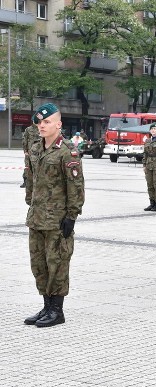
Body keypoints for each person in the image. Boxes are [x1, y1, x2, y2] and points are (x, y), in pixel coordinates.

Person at [24, 103, 85, 327]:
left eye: (47, 122)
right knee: (38, 264)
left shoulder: (67, 151)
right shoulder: (35, 148)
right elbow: (30, 178)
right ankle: (46, 306)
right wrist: (30, 202)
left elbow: (76, 186)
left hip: (58, 220)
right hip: (37, 217)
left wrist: (71, 216)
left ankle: (57, 310)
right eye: (40, 122)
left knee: (57, 263)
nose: (42, 125)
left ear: (58, 124)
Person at [21, 118, 40, 188]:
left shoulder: (41, 129)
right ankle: (26, 181)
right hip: (29, 152)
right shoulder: (28, 129)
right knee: (27, 167)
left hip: (39, 152)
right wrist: (25, 151)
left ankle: (36, 182)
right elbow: (24, 140)